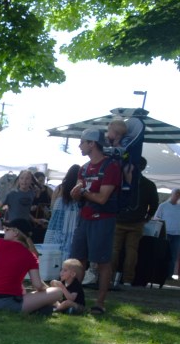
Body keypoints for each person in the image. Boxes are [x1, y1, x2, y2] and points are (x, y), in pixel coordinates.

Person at [70, 128, 121, 315]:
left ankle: (100, 303)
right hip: (84, 218)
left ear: (92, 144)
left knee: (102, 262)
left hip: (103, 219)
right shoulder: (84, 168)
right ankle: (75, 299)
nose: (79, 145)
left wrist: (82, 192)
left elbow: (102, 198)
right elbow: (79, 194)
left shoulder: (111, 166)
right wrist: (76, 194)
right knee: (76, 260)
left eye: (83, 142)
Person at [0, 218, 65, 315]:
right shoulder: (29, 256)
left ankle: (46, 307)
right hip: (6, 303)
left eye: (7, 230)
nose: (4, 232)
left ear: (16, 232)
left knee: (24, 291)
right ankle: (54, 307)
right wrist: (47, 292)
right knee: (57, 292)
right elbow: (37, 285)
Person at [112, 157, 158, 286]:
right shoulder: (149, 184)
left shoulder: (121, 181)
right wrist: (147, 218)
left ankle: (109, 277)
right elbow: (154, 204)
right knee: (132, 251)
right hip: (137, 222)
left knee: (114, 250)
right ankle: (128, 279)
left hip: (119, 220)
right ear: (143, 168)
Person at [46, 165, 82, 262]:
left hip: (57, 225)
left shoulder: (59, 189)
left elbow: (52, 206)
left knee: (54, 249)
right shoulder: (78, 191)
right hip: (72, 226)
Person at [152, 188, 180, 280]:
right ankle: (158, 273)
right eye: (176, 194)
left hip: (177, 235)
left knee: (173, 255)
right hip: (165, 233)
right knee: (162, 254)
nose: (177, 196)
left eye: (179, 195)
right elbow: (156, 217)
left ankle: (169, 275)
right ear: (172, 194)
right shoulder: (163, 206)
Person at [30, 171, 54, 243]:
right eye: (40, 181)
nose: (42, 182)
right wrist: (30, 207)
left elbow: (54, 203)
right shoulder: (30, 190)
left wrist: (49, 209)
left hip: (44, 220)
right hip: (31, 219)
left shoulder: (48, 190)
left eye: (43, 180)